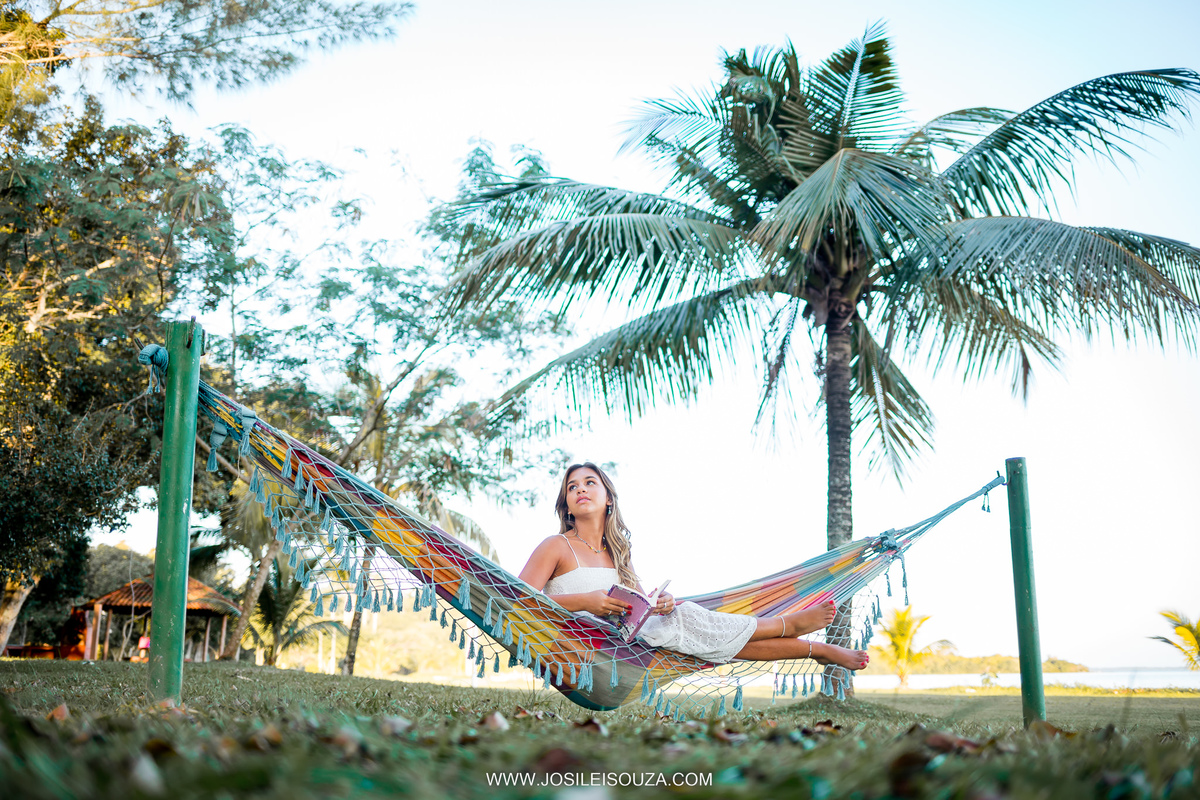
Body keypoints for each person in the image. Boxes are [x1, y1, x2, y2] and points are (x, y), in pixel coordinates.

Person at [518, 462, 869, 670]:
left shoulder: (617, 553)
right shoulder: (555, 546)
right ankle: (789, 626)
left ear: (608, 498)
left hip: (625, 643)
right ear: (565, 504)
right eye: (572, 487)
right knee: (689, 619)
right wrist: (584, 601)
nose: (580, 489)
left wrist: (661, 602)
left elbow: (641, 607)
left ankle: (817, 650)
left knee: (708, 634)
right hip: (580, 644)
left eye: (589, 483)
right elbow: (518, 600)